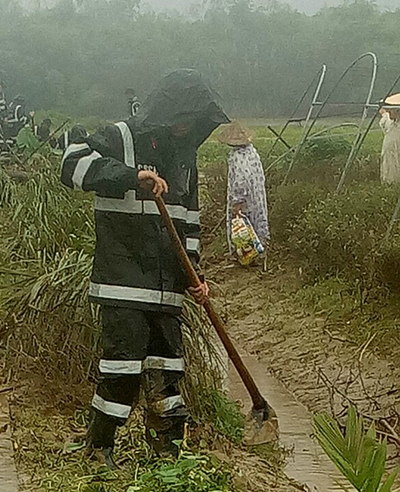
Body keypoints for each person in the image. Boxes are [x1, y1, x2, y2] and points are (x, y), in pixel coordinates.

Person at [61, 70, 227, 465]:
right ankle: (98, 449)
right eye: (182, 117)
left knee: (168, 371)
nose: (187, 127)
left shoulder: (186, 159)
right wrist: (131, 177)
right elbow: (71, 163)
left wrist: (195, 278)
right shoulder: (121, 137)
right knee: (121, 370)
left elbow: (188, 226)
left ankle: (167, 457)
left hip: (167, 287)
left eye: (195, 121)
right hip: (122, 283)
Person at [218, 122, 270, 256]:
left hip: (245, 201)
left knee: (242, 230)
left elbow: (240, 181)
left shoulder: (236, 156)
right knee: (257, 225)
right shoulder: (252, 152)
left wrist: (237, 203)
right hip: (256, 197)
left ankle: (245, 257)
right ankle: (260, 252)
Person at [380, 100, 400, 184]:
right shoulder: (391, 123)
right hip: (389, 151)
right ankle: (389, 182)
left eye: (392, 110)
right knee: (389, 165)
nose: (390, 112)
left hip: (396, 150)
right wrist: (384, 114)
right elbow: (384, 124)